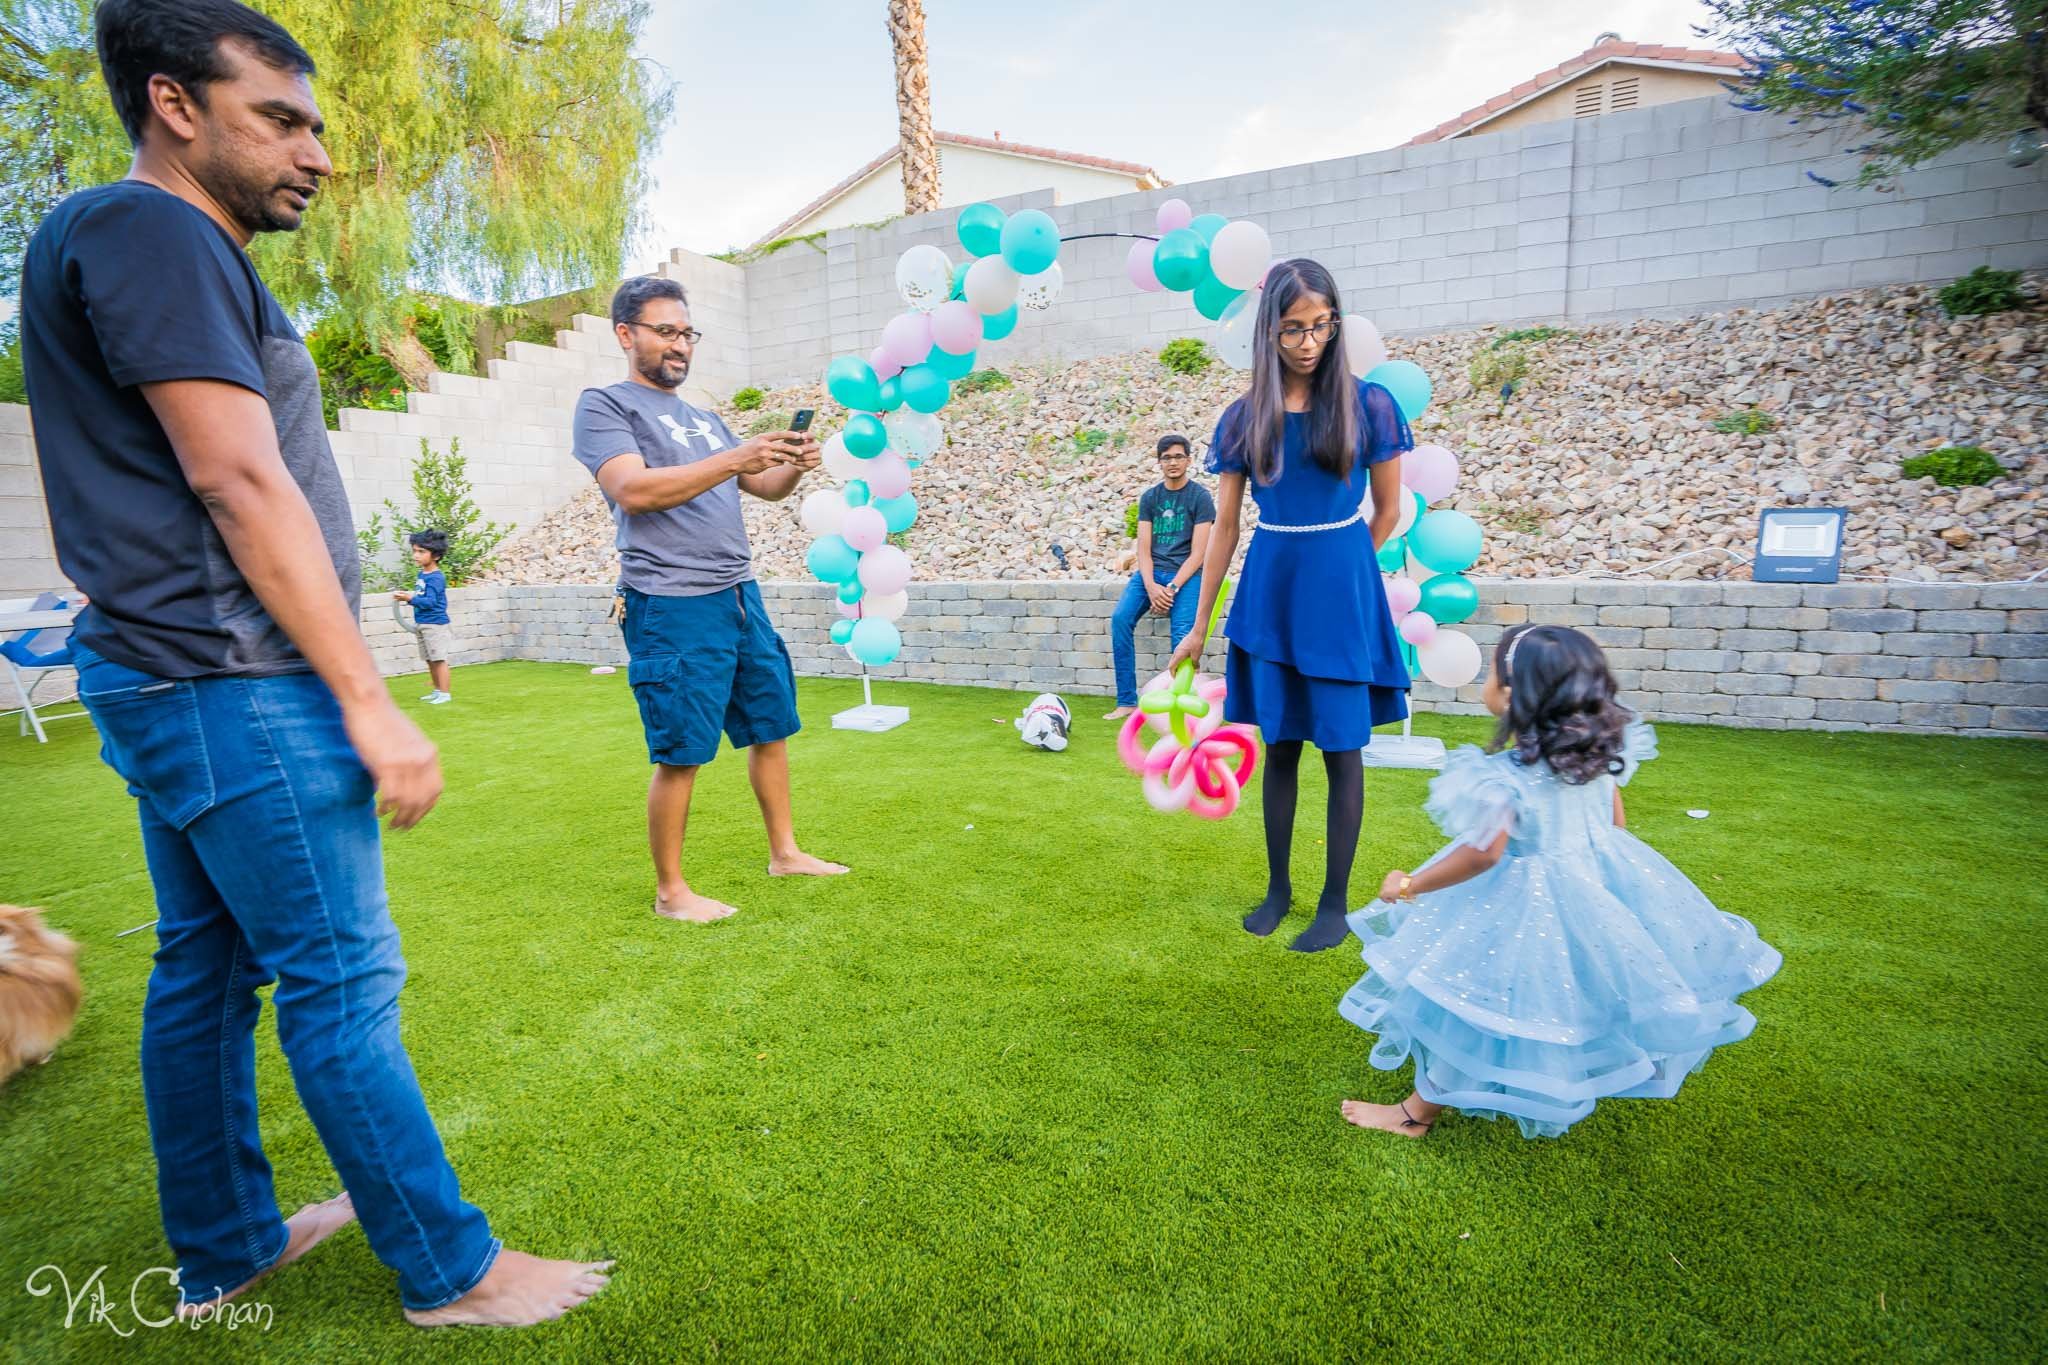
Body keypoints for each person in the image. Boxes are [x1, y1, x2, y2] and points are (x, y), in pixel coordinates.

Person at [18, 0, 609, 1328]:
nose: (320, 153)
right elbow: (239, 477)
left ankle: (226, 1244)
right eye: (278, 118)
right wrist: (367, 694)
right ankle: (452, 1270)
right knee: (342, 979)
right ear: (174, 104)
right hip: (235, 683)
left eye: (318, 123)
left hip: (172, 673)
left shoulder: (130, 240)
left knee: (208, 969)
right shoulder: (153, 230)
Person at [1337, 625, 1782, 1139]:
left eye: (1492, 673)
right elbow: (1614, 826)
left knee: (1479, 1004)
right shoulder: (1595, 754)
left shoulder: (1503, 775)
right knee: (1571, 995)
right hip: (1594, 888)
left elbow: (1482, 855)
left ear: (1511, 694)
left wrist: (1410, 884)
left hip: (1521, 904)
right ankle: (1508, 1081)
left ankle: (1416, 1114)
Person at [573, 276, 848, 924]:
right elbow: (633, 489)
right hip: (670, 601)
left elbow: (768, 486)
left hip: (739, 596)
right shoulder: (605, 405)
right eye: (665, 331)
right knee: (681, 748)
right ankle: (671, 891)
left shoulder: (706, 419)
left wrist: (794, 463)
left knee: (771, 724)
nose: (679, 344)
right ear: (626, 334)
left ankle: (784, 851)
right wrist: (734, 460)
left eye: (686, 332)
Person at [1170, 259, 1412, 954]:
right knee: (1279, 748)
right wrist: (1197, 624)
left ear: (1336, 322)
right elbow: (1225, 528)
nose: (1309, 342)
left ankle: (1333, 905)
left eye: (1320, 326)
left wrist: (1345, 574)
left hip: (1340, 592)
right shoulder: (1245, 416)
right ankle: (1278, 888)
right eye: (1292, 329)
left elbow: (1388, 512)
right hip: (1270, 588)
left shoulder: (1371, 405)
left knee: (1342, 748)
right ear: (1268, 332)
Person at [1105, 435, 1215, 721]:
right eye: (1167, 458)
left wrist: (1173, 587)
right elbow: (1143, 548)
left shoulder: (1200, 497)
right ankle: (1127, 701)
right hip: (1151, 575)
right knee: (1120, 619)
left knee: (1183, 637)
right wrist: (1153, 587)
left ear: (1189, 460)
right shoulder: (1151, 498)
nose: (1173, 462)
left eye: (1179, 456)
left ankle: (1182, 705)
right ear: (1159, 462)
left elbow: (1199, 553)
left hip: (1187, 576)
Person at [393, 529, 454, 703]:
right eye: (414, 551)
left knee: (439, 659)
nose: (416, 555)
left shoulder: (436, 577)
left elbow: (430, 602)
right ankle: (437, 690)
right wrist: (410, 595)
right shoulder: (423, 574)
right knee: (430, 660)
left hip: (435, 624)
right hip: (423, 623)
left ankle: (444, 693)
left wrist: (410, 598)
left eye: (421, 552)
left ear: (435, 555)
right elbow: (423, 596)